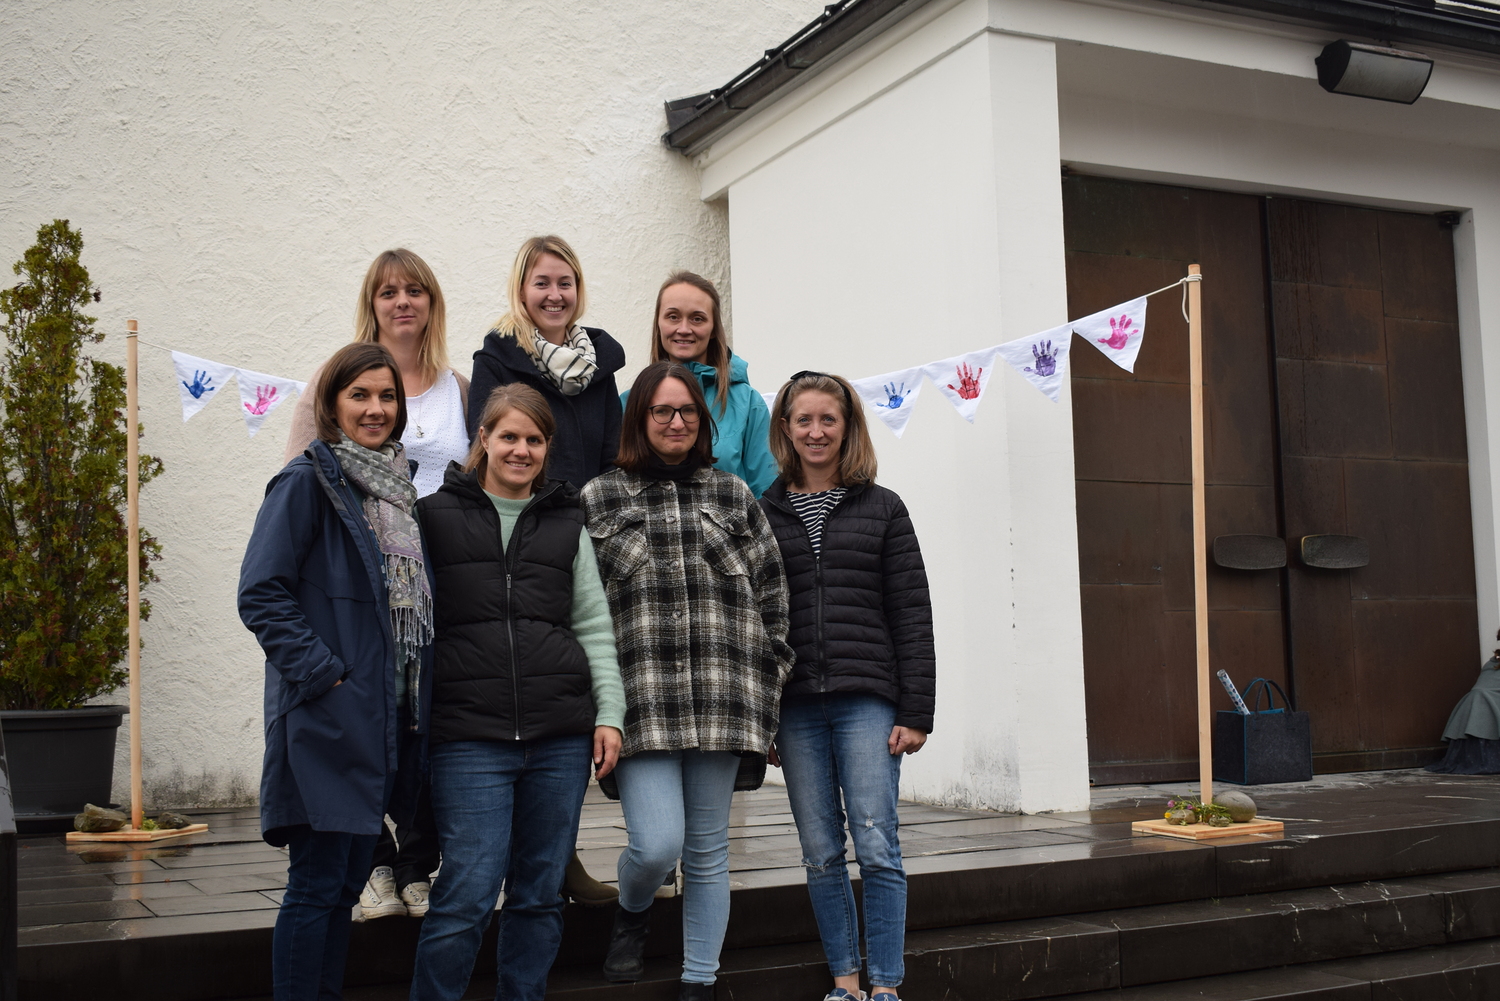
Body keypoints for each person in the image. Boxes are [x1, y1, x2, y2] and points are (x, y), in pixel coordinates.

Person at [581, 362, 793, 1001]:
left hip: (724, 701)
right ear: (638, 419)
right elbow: (580, 610)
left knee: (706, 852)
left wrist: (769, 687)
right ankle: (633, 908)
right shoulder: (598, 499)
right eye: (662, 411)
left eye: (688, 412)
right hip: (640, 705)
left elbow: (773, 598)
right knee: (656, 846)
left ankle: (699, 980)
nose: (676, 422)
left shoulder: (733, 496)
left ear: (702, 422)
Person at [409, 384, 626, 1001]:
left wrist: (609, 713)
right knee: (468, 892)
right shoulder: (434, 517)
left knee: (539, 894)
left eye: (534, 439)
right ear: (483, 438)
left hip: (559, 737)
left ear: (547, 447)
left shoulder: (566, 520)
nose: (521, 450)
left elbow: (593, 625)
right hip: (468, 737)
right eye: (508, 436)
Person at [239, 342, 434, 1001]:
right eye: (360, 395)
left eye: (387, 396)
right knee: (317, 885)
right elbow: (261, 593)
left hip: (378, 721)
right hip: (326, 718)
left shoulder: (396, 492)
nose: (375, 408)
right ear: (331, 405)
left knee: (346, 883)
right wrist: (325, 676)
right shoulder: (306, 482)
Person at [285, 248, 466, 921]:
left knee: (426, 726)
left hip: (437, 580)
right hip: (359, 583)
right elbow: (302, 478)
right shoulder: (334, 378)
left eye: (415, 290)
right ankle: (374, 862)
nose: (403, 302)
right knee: (369, 723)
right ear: (373, 303)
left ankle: (417, 861)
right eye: (388, 291)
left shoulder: (460, 386)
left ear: (431, 302)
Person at [758, 371, 936, 1001]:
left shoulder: (883, 508)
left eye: (827, 419)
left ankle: (885, 986)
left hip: (867, 698)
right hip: (796, 705)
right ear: (785, 428)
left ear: (848, 426)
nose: (816, 432)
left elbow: (911, 613)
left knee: (876, 840)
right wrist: (762, 717)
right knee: (820, 850)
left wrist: (917, 711)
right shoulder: (763, 512)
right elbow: (755, 620)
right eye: (803, 420)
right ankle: (845, 982)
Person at [468, 235, 625, 489]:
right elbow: (484, 454)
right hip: (525, 510)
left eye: (565, 284)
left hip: (589, 511)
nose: (555, 295)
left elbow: (613, 460)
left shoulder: (597, 365)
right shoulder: (495, 361)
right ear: (521, 290)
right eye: (542, 284)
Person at [621, 271, 776, 497]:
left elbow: (767, 494)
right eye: (673, 316)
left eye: (697, 318)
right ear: (659, 324)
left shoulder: (748, 403)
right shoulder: (629, 402)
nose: (684, 329)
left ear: (714, 329)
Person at [1426, 630, 1500, 774]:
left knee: (1480, 698)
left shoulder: (1492, 662)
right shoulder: (1492, 663)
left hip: (1476, 713)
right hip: (1485, 711)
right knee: (1481, 698)